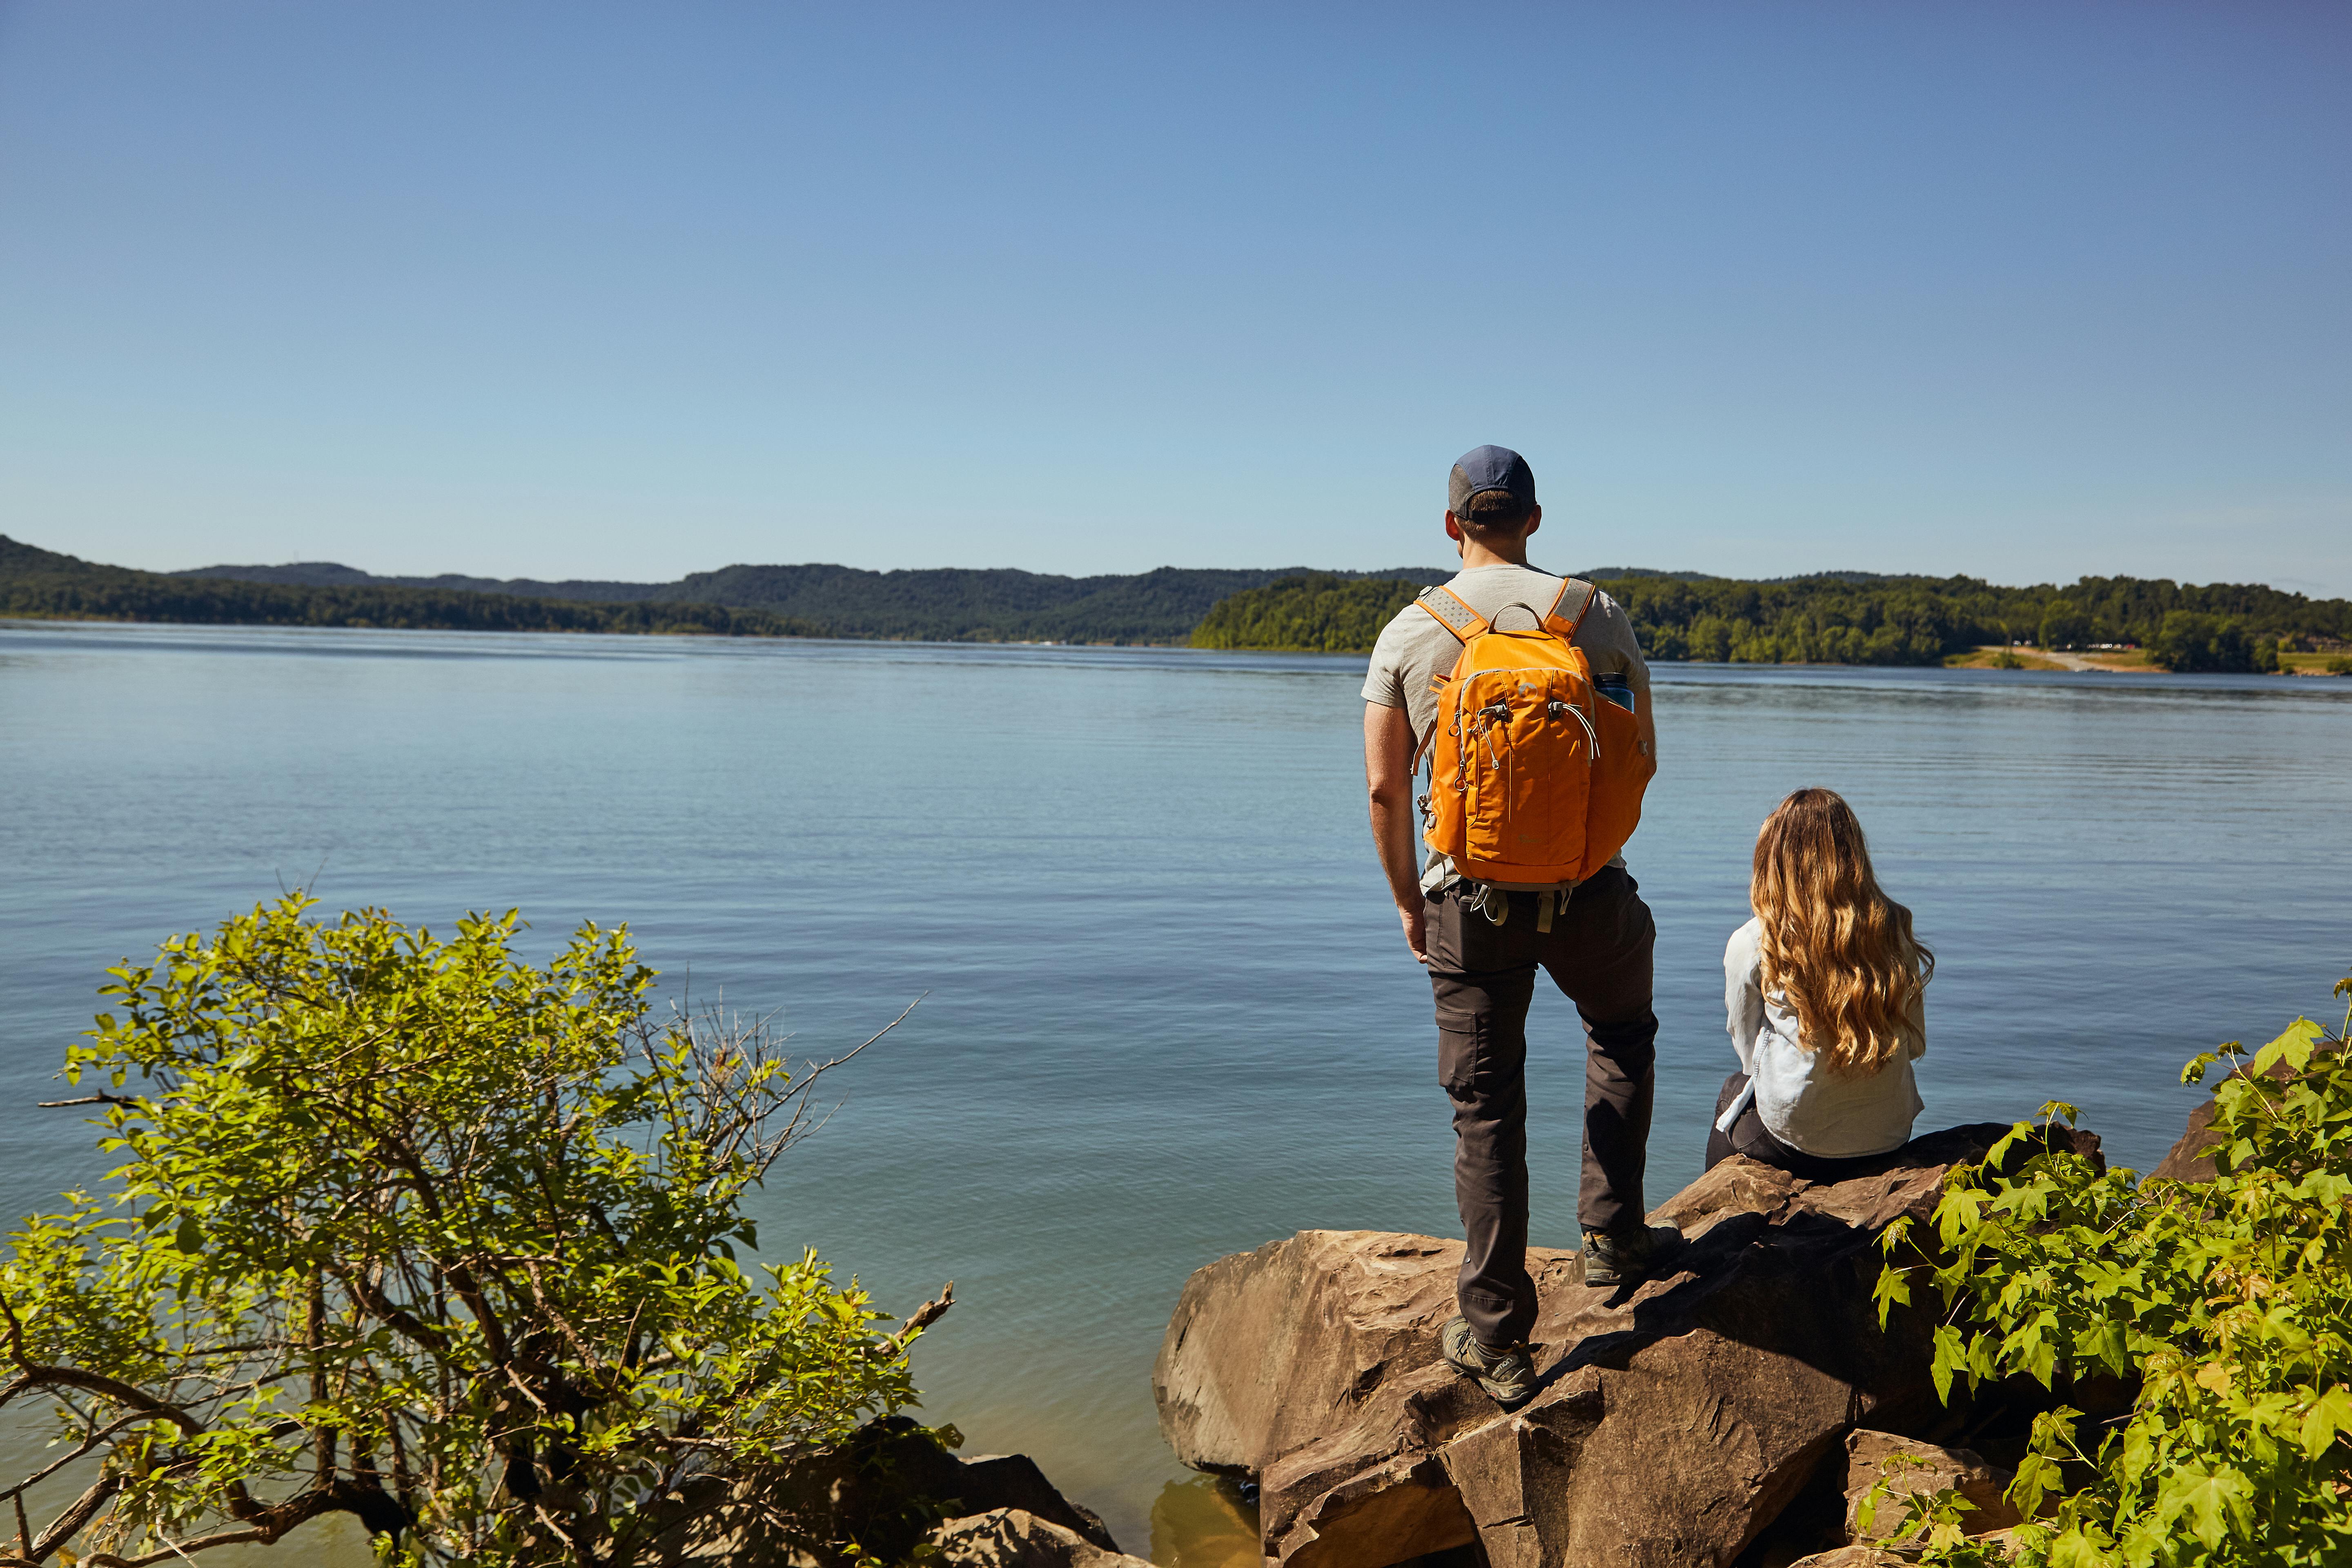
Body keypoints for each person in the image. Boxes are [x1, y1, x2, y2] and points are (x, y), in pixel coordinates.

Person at [1360, 445, 1672, 1411]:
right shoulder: (1593, 613)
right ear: (1533, 519)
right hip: (1590, 893)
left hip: (1466, 901)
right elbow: (1639, 752)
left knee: (1485, 1109)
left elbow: (1382, 784)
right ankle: (1610, 1237)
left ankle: (1496, 1337)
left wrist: (1408, 901)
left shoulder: (1410, 634)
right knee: (1618, 1034)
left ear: (1451, 525)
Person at [1709, 788, 1935, 1179]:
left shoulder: (1755, 941)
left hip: (1795, 1139)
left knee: (1734, 1089)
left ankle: (1720, 1227)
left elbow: (1748, 1056)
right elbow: (1914, 1046)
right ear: (1854, 857)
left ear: (1773, 860)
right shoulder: (1894, 928)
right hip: (1889, 1133)